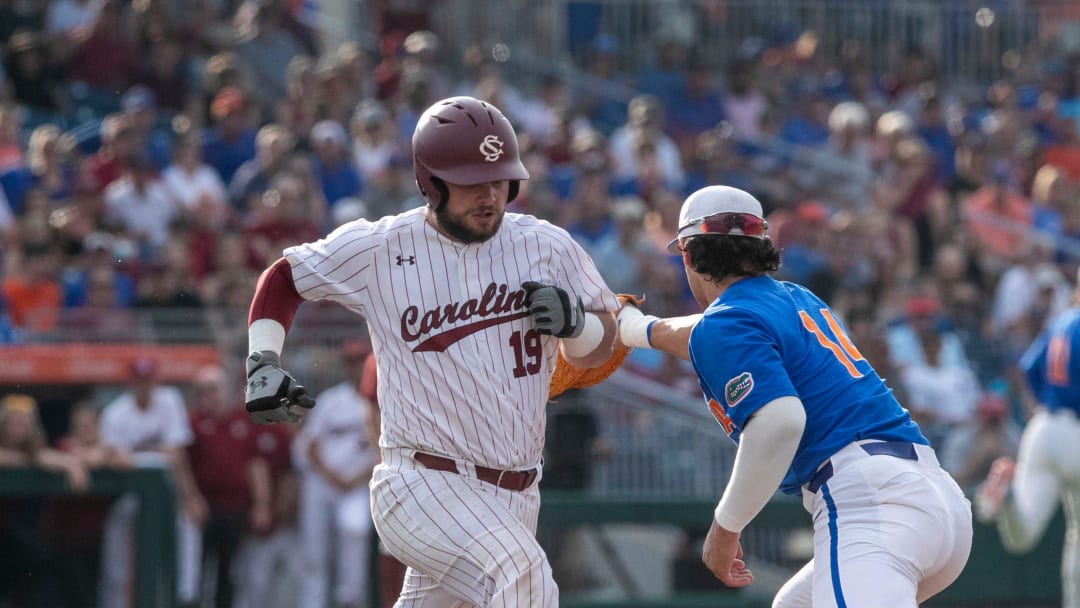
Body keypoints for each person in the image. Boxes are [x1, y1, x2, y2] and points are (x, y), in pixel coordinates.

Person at [243, 95, 619, 606]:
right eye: (471, 182)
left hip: (517, 494)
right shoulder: (383, 247)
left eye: (499, 179)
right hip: (419, 483)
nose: (489, 195)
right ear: (431, 182)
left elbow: (605, 344)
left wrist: (577, 325)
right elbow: (284, 277)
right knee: (523, 575)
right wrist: (262, 360)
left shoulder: (547, 246)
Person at [616, 185, 973, 606]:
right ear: (760, 245)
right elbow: (703, 332)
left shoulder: (728, 323)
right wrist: (632, 328)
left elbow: (779, 421)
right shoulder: (796, 298)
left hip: (869, 505)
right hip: (936, 500)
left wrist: (725, 528)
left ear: (689, 255)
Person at [975, 271, 1080, 608]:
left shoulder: (1062, 321)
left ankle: (1007, 498)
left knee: (1024, 535)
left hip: (1044, 427)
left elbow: (1030, 369)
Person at [293, 340, 379, 608]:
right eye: (350, 362)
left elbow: (381, 450)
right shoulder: (332, 399)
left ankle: (349, 601)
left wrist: (355, 478)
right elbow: (310, 445)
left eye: (358, 361)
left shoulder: (380, 402)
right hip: (323, 481)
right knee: (314, 552)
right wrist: (331, 476)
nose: (354, 367)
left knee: (355, 535)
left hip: (357, 483)